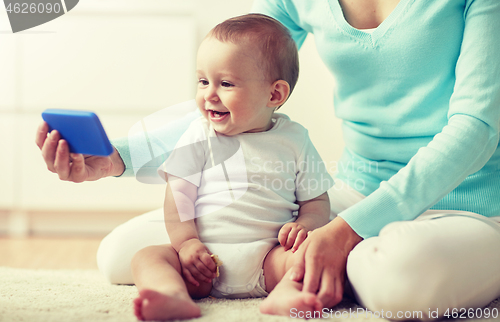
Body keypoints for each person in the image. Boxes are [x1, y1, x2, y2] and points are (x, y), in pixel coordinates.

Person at [36, 0, 500, 320]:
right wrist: (118, 157)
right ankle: (328, 270)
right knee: (121, 254)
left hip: (467, 203)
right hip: (355, 192)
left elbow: (476, 130)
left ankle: (327, 270)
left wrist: (344, 231)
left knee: (403, 282)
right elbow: (230, 89)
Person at [130, 14, 335, 321]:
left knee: (309, 258)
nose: (208, 94)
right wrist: (186, 245)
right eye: (203, 81)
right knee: (148, 257)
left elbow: (317, 202)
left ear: (274, 94)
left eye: (225, 83)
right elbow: (179, 198)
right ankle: (171, 294)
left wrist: (305, 225)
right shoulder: (199, 135)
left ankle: (284, 294)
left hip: (269, 258)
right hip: (202, 262)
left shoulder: (295, 140)